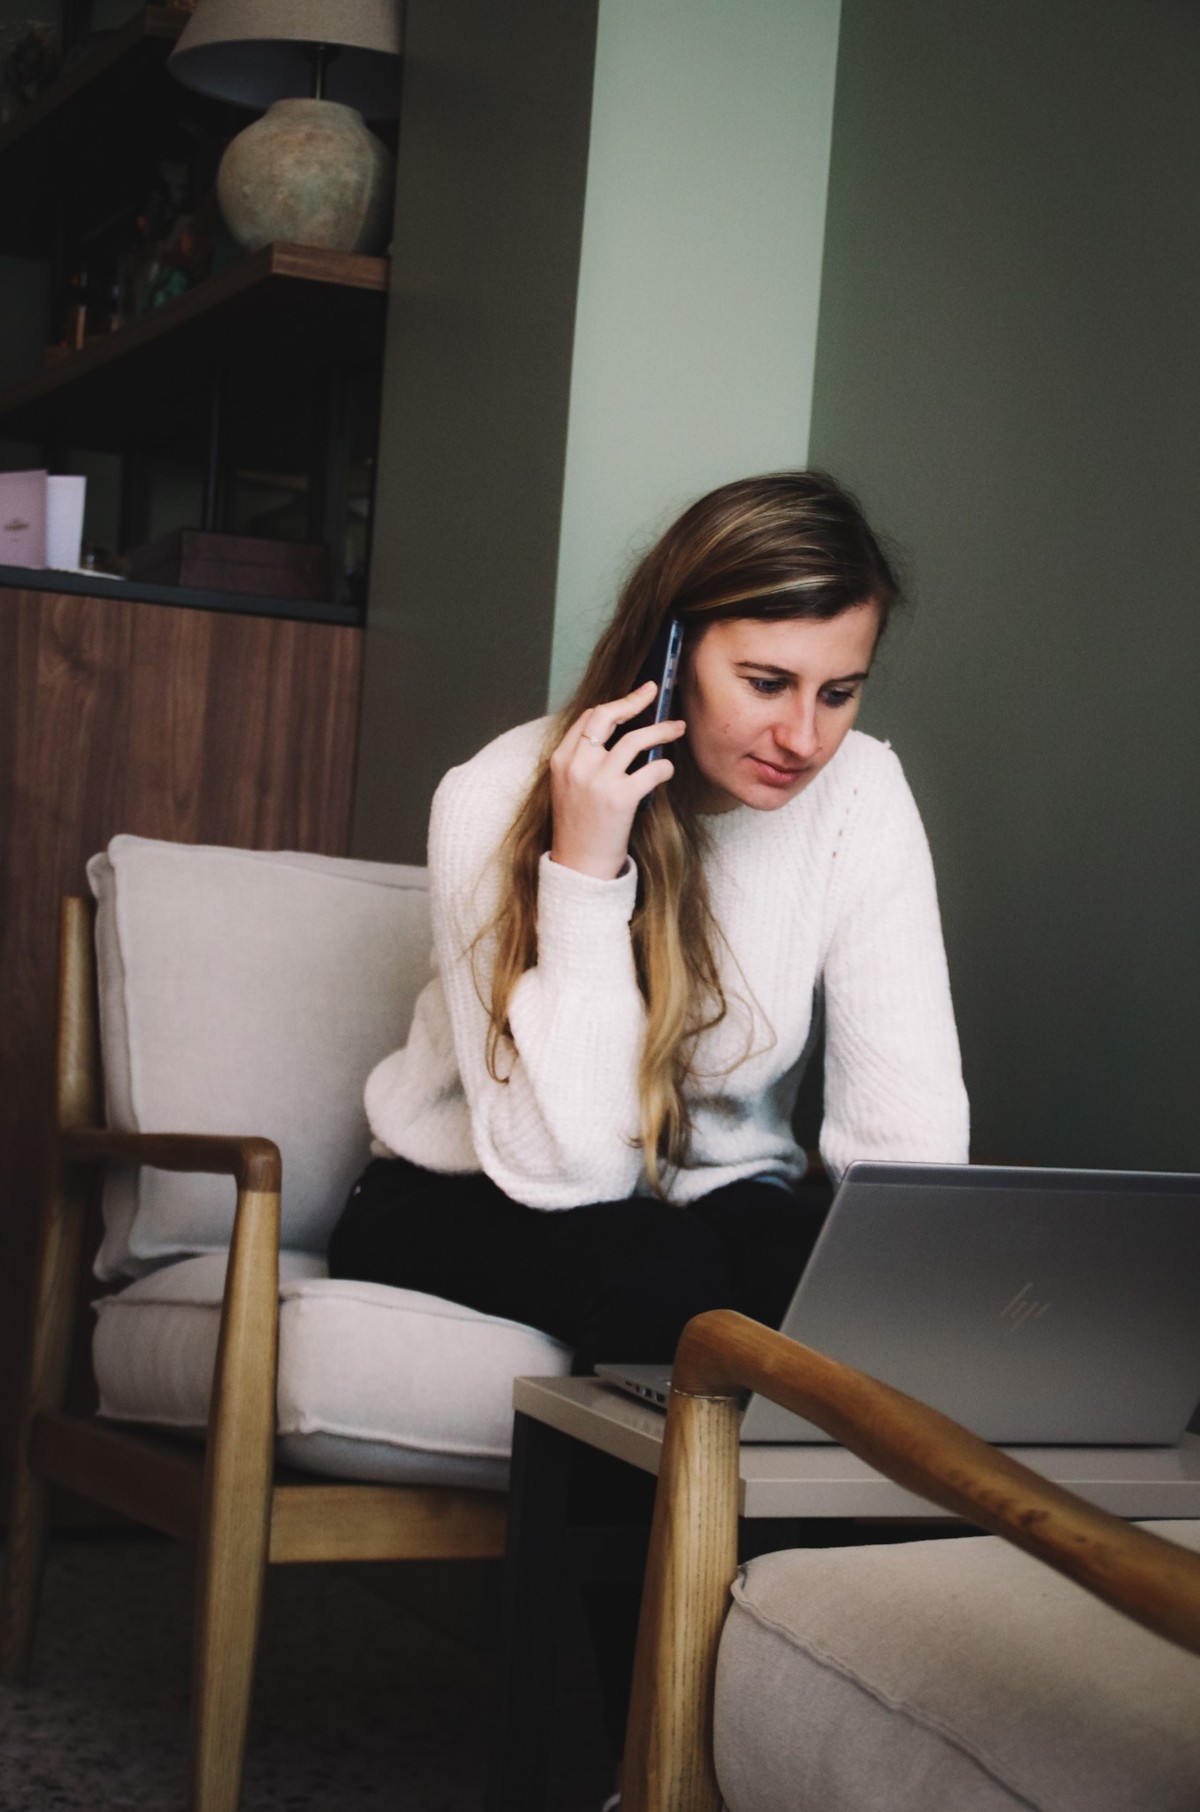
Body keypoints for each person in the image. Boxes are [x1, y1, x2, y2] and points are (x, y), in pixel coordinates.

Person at [328, 469, 969, 1764]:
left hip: (704, 1188)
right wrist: (587, 865)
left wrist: (908, 1286)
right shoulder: (498, 794)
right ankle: (668, 1754)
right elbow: (569, 1163)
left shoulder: (862, 801)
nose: (806, 734)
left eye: (839, 691)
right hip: (465, 1187)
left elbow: (907, 1138)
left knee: (810, 1285)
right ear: (671, 653)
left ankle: (831, 1722)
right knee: (669, 1277)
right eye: (768, 682)